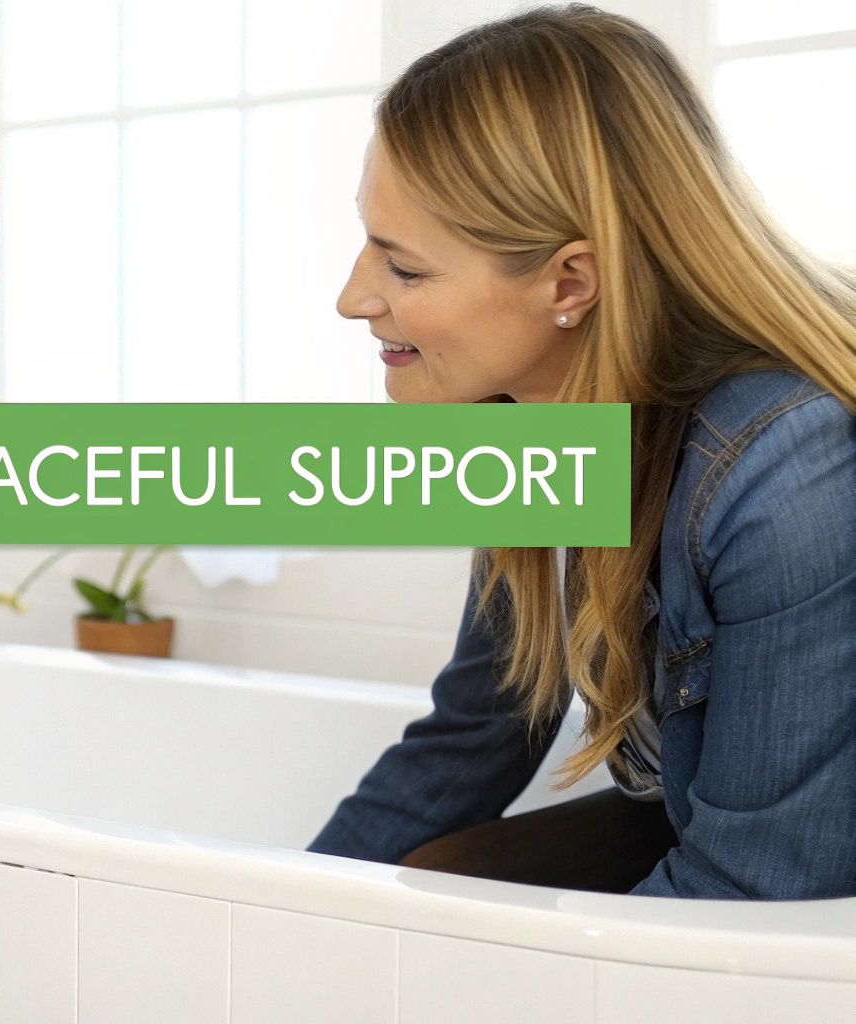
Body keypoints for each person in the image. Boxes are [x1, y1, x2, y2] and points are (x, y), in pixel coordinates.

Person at [308, 4, 856, 898]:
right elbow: (482, 727)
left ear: (570, 281)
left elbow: (760, 882)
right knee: (414, 892)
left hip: (800, 887)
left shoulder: (785, 466)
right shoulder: (529, 415)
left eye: (405, 269)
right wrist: (268, 906)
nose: (352, 298)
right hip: (731, 829)